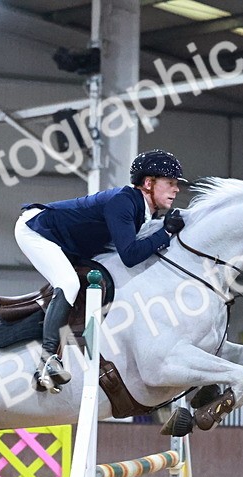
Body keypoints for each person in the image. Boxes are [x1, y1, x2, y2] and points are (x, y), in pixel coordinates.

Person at [16, 150, 187, 392]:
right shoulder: (124, 202)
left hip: (70, 242)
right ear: (149, 183)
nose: (176, 189)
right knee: (69, 283)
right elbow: (130, 256)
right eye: (170, 183)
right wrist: (166, 233)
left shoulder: (144, 210)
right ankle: (47, 361)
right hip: (37, 230)